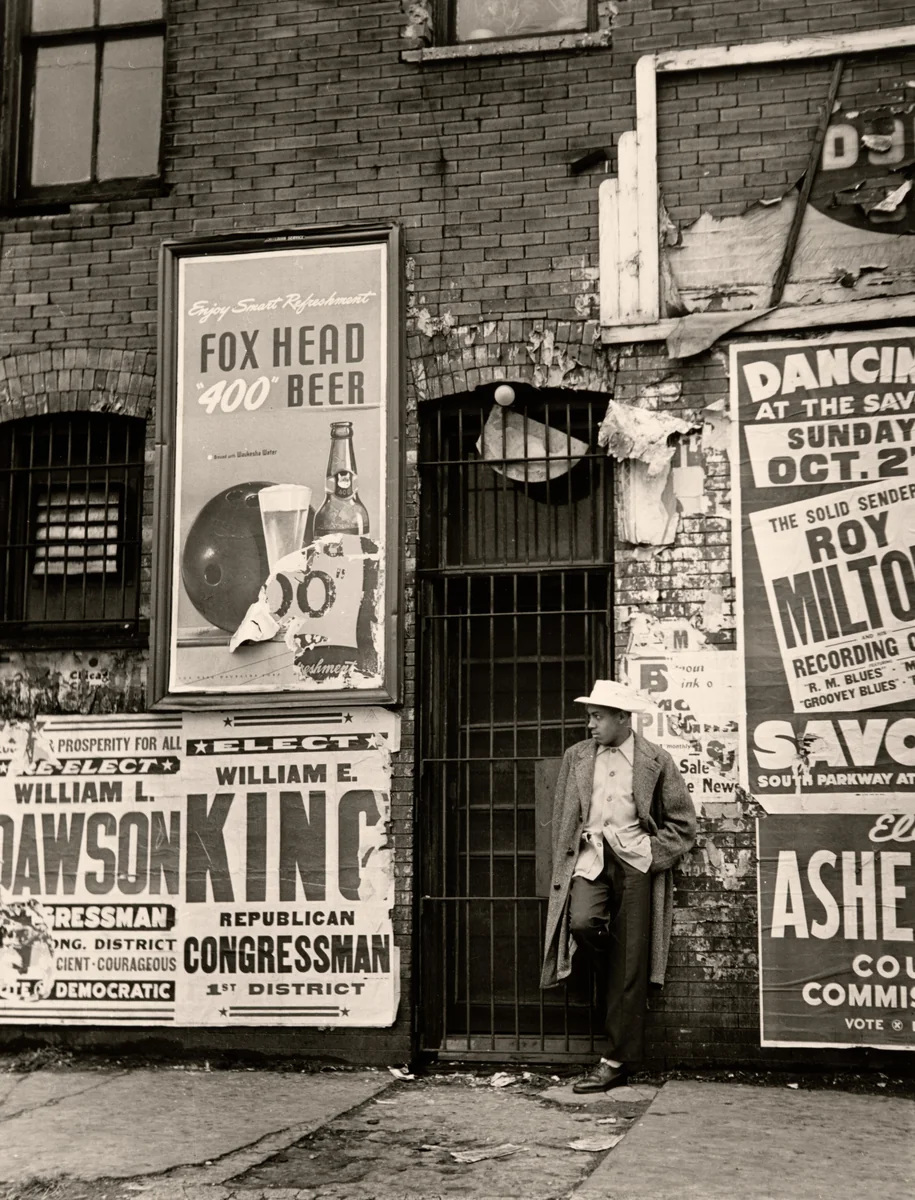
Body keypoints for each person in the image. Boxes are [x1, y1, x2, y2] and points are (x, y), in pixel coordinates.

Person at [540, 679, 696, 1092]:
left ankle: (614, 1060)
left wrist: (649, 852)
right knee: (582, 925)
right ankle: (621, 972)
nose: (590, 724)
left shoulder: (655, 760)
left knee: (631, 961)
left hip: (635, 863)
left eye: (597, 717)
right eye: (590, 717)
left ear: (623, 719)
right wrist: (564, 864)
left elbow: (683, 826)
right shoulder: (577, 756)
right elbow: (563, 818)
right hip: (589, 861)